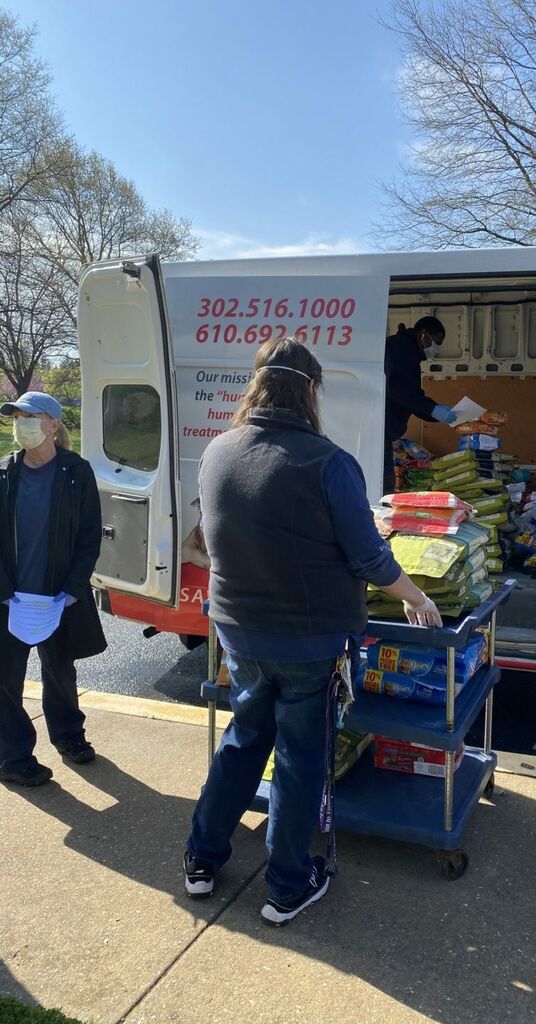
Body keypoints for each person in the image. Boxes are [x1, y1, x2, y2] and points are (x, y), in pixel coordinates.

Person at [184, 338, 443, 925]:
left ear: (256, 385)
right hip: (309, 642)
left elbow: (219, 531)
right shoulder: (327, 462)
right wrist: (418, 596)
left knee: (243, 739)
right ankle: (287, 886)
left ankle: (201, 860)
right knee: (300, 758)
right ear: (310, 390)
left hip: (239, 633)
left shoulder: (218, 453)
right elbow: (371, 560)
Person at [0, 391, 106, 787]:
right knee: (5, 680)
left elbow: (89, 536)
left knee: (60, 672)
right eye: (16, 416)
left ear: (53, 424)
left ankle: (69, 738)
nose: (20, 423)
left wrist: (73, 589)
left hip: (57, 597)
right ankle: (13, 757)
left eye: (29, 416)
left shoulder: (76, 471)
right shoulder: (4, 472)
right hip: (9, 597)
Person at [384, 316, 457, 493]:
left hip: (384, 430)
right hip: (380, 428)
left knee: (385, 482)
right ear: (423, 334)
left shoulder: (404, 349)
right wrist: (433, 410)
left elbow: (412, 398)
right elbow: (400, 392)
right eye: (435, 343)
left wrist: (434, 412)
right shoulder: (403, 350)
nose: (435, 350)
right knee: (384, 484)